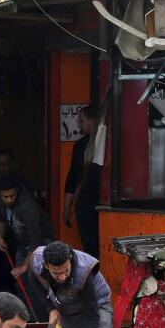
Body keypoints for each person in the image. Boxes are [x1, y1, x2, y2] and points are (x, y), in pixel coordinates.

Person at [0, 176, 51, 317]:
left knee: (34, 280)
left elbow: (36, 239)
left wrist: (25, 266)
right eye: (5, 196)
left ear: (17, 191)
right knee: (21, 282)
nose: (8, 200)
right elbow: (0, 219)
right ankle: (26, 318)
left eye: (12, 195)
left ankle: (40, 319)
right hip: (23, 243)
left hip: (42, 243)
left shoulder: (27, 206)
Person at [64, 105, 102, 257]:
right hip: (84, 202)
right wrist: (67, 207)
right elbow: (72, 177)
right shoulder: (80, 146)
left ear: (92, 121)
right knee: (89, 246)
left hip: (99, 201)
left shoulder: (105, 144)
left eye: (81, 121)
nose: (79, 124)